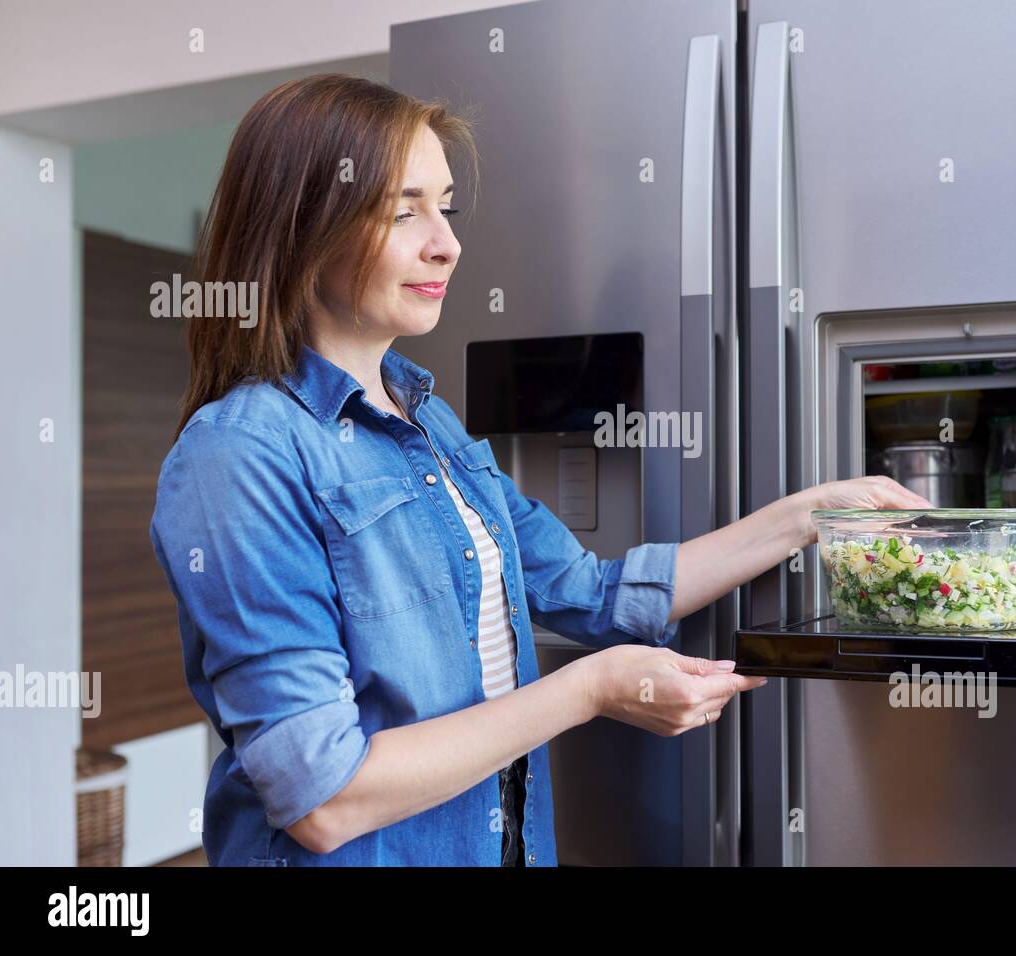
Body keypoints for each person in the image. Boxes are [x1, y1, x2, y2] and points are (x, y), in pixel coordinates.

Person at [149, 74, 931, 867]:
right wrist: (588, 691)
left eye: (445, 207)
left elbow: (592, 593)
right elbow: (322, 797)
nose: (446, 243)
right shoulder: (238, 454)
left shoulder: (430, 423)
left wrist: (816, 513)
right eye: (402, 209)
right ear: (302, 225)